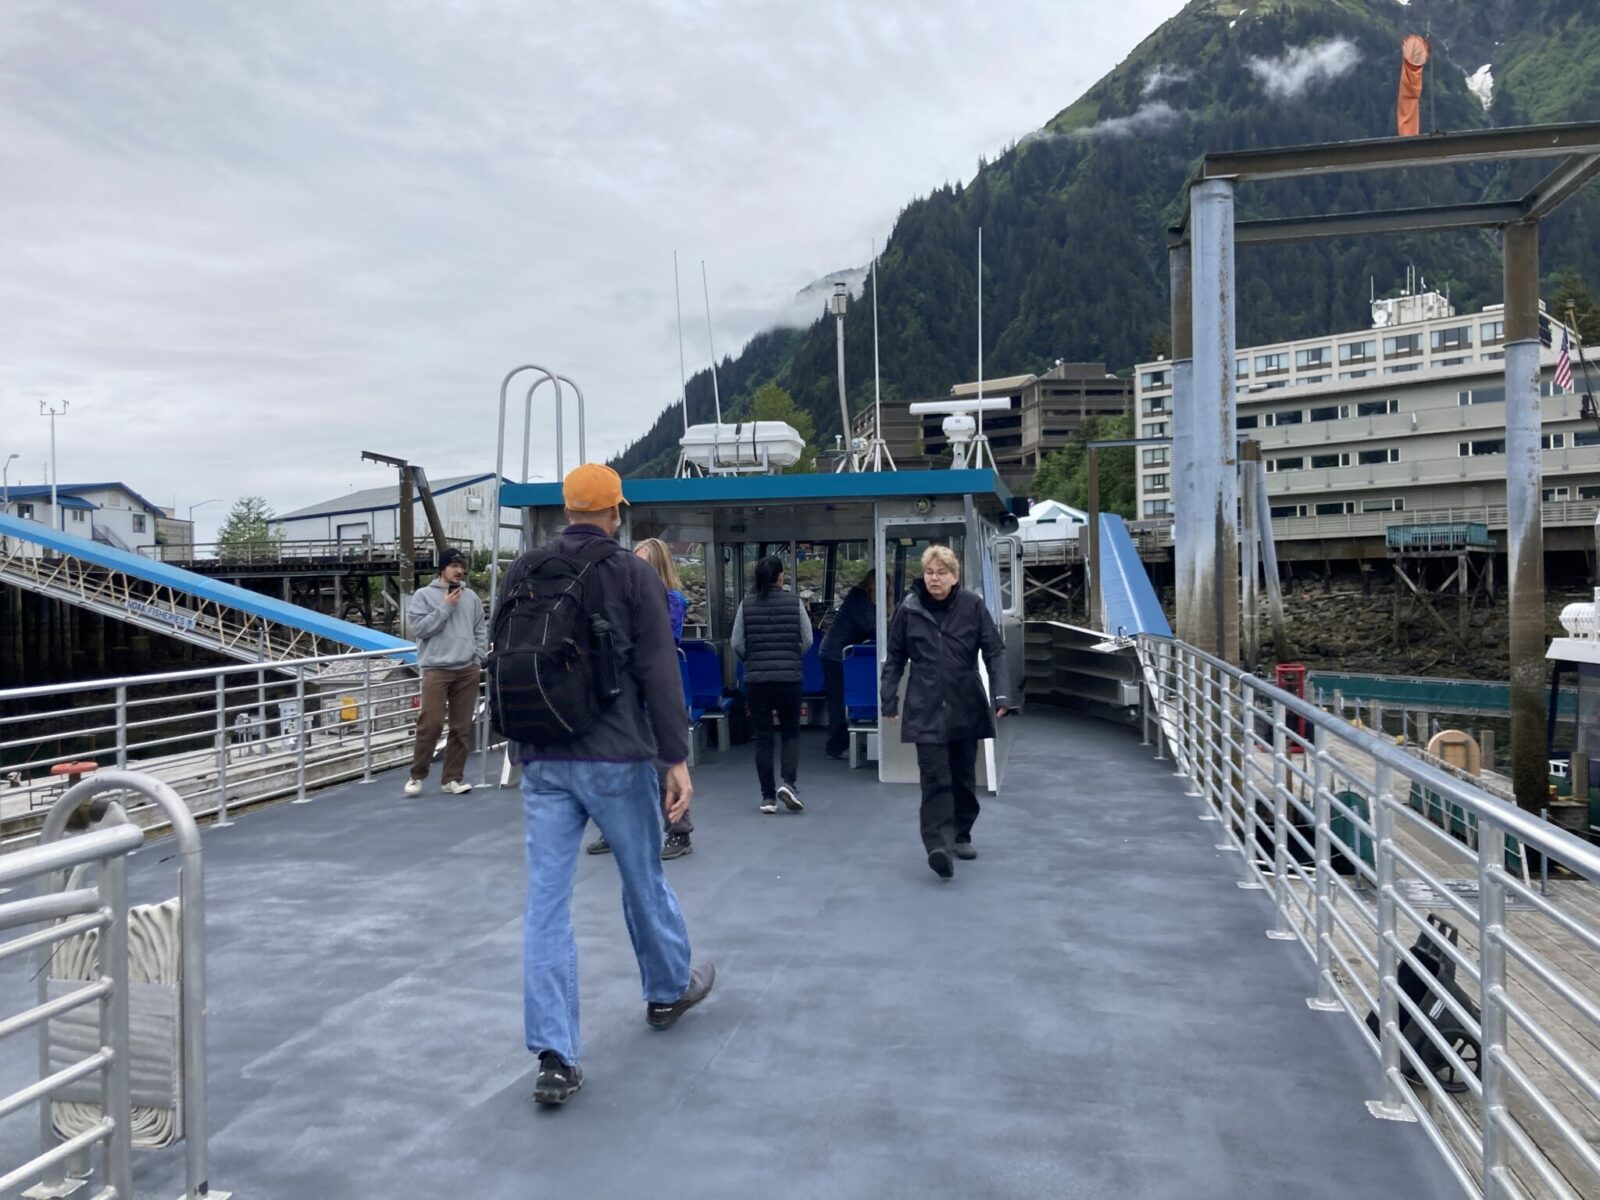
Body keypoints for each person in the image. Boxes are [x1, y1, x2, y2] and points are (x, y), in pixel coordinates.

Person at [501, 463, 713, 1107]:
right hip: (618, 757)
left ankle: (556, 1056)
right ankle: (667, 990)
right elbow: (658, 672)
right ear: (615, 512)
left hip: (541, 757)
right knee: (642, 876)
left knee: (546, 906)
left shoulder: (523, 571)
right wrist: (675, 757)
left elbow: (505, 658)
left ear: (567, 510)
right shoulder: (632, 574)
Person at [879, 544, 1013, 880]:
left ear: (954, 577)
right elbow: (895, 658)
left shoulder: (972, 607)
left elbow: (994, 651)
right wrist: (888, 697)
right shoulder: (908, 610)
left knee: (963, 776)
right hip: (925, 706)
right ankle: (938, 845)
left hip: (964, 703)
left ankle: (962, 832)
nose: (934, 578)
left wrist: (1002, 693)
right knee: (935, 777)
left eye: (941, 573)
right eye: (929, 572)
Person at [587, 537, 695, 860]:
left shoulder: (671, 600)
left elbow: (659, 639)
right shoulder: (627, 600)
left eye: (641, 561)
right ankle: (614, 828)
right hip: (625, 692)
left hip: (653, 692)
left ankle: (680, 831)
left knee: (665, 765)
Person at [731, 555, 812, 814]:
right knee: (790, 732)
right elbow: (808, 638)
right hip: (789, 679)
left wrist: (752, 661)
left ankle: (767, 797)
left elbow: (737, 643)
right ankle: (789, 782)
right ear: (780, 577)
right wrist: (791, 656)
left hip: (757, 681)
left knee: (764, 739)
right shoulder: (794, 602)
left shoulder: (746, 605)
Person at [404, 546, 486, 796]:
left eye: (462, 566)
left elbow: (481, 629)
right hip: (436, 669)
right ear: (442, 568)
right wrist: (446, 607)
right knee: (431, 723)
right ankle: (417, 776)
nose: (460, 570)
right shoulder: (423, 595)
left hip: (466, 669)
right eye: (454, 566)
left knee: (462, 728)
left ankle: (452, 779)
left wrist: (477, 659)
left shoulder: (471, 597)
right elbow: (420, 630)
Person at [820, 570, 876, 759]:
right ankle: (835, 747)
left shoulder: (860, 598)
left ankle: (845, 742)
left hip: (836, 653)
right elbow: (869, 625)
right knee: (838, 700)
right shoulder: (859, 597)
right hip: (834, 655)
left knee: (842, 698)